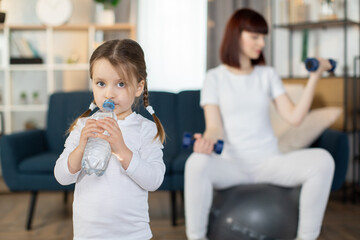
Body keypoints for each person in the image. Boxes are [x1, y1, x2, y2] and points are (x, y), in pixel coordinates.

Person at [184, 8, 334, 240]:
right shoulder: (215, 78)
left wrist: (315, 77)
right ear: (236, 35)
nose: (262, 43)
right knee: (196, 162)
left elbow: (294, 118)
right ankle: (196, 237)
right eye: (255, 36)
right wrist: (206, 142)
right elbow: (214, 127)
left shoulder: (267, 75)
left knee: (323, 160)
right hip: (231, 166)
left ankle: (306, 238)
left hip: (269, 163)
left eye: (263, 37)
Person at [54, 39, 166, 240]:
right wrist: (81, 148)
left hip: (133, 234)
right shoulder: (82, 127)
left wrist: (121, 149)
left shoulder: (145, 130)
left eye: (121, 84)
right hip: (89, 233)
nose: (109, 93)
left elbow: (155, 180)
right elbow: (62, 176)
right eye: (101, 83)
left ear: (139, 87)